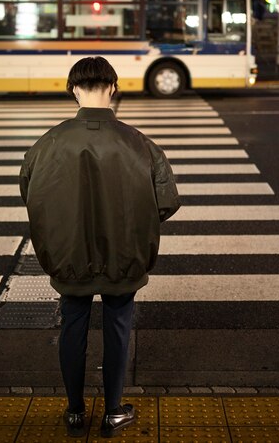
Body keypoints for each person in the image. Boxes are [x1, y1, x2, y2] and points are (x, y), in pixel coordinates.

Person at [19, 56, 180, 438]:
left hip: (68, 259)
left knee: (72, 326)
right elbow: (167, 201)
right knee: (118, 327)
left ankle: (75, 411)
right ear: (112, 88)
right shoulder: (139, 143)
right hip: (123, 259)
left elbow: (30, 193)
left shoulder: (47, 144)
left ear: (74, 90)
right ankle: (113, 411)